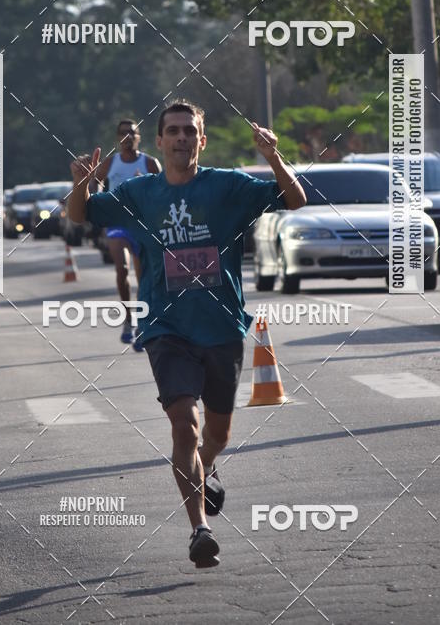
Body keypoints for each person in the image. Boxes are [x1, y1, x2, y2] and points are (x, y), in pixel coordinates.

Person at [68, 100, 307, 568]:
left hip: (221, 328)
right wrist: (80, 181)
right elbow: (82, 214)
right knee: (184, 423)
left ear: (202, 140)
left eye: (189, 131)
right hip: (166, 327)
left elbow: (295, 199)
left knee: (216, 434)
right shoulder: (140, 193)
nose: (181, 137)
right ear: (159, 141)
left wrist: (273, 157)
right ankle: (200, 528)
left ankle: (207, 463)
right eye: (173, 131)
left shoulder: (227, 186)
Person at [90, 119, 161, 348]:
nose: (128, 136)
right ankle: (128, 320)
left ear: (139, 137)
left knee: (142, 278)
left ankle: (141, 324)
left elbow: (163, 189)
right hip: (117, 223)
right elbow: (95, 183)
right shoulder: (111, 162)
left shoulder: (149, 163)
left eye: (132, 132)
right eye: (123, 133)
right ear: (118, 137)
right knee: (121, 269)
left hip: (141, 224)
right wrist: (97, 203)